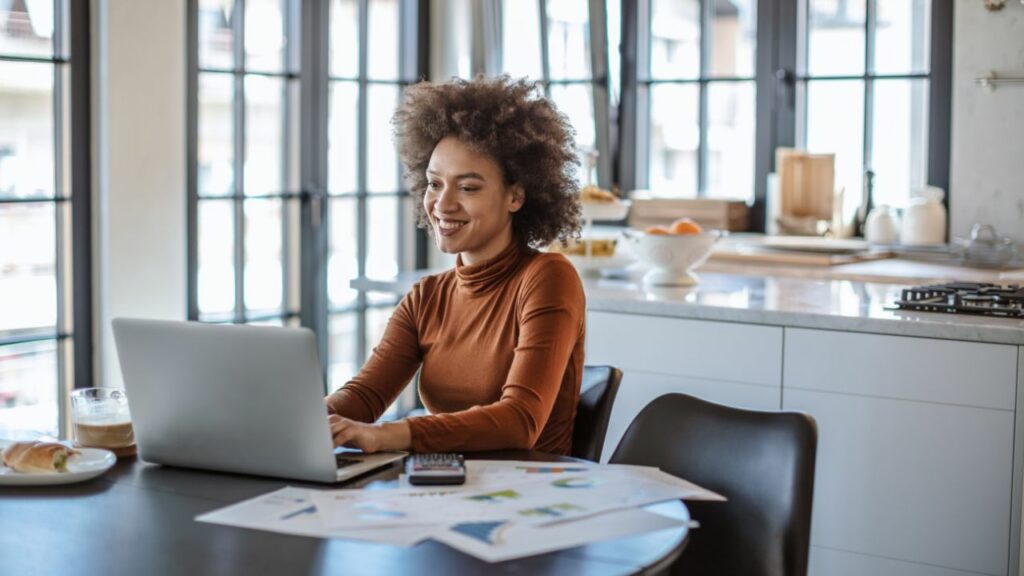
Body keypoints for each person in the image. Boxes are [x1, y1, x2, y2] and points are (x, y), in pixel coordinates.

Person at [324, 75, 586, 455]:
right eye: (434, 184)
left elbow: (519, 422)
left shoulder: (547, 278)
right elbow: (363, 397)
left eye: (467, 187)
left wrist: (388, 434)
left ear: (515, 196)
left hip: (532, 494)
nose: (442, 205)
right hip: (446, 486)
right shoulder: (426, 298)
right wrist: (297, 419)